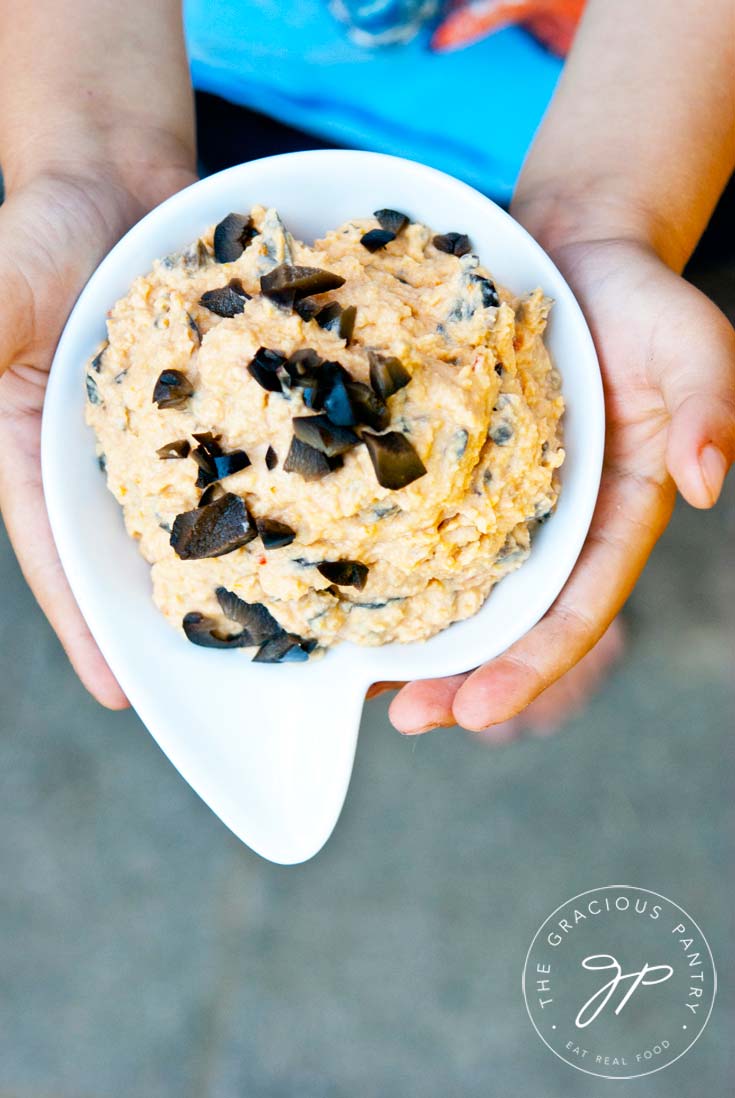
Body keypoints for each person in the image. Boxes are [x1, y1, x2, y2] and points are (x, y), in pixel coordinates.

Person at [0, 0, 732, 739]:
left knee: (604, 455)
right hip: (190, 82)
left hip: (621, 111)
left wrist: (616, 213)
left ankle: (554, 575)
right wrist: (87, 156)